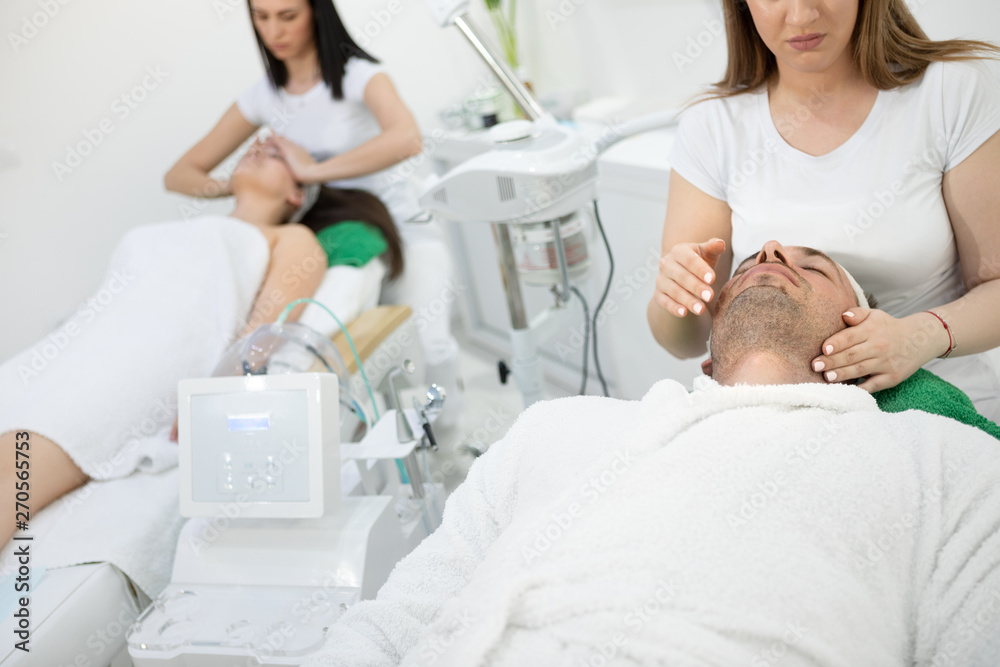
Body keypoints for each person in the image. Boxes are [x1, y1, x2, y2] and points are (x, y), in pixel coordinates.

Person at [303, 241, 1000, 667]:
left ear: (863, 329)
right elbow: (395, 621)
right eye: (751, 259)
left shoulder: (938, 463)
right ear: (708, 335)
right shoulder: (556, 429)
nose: (773, 253)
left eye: (810, 266)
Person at [0, 144, 402, 546]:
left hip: (137, 363)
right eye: (256, 143)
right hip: (68, 353)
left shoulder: (292, 239)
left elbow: (261, 336)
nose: (259, 147)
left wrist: (214, 392)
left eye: (276, 153)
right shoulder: (170, 230)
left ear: (297, 193)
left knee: (17, 468)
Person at [647, 0, 1000, 421]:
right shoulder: (712, 128)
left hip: (942, 409)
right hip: (776, 417)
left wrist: (920, 335)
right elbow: (686, 342)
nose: (799, 17)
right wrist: (676, 297)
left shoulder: (949, 93)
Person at [164, 0, 463, 425]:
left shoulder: (360, 77)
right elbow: (179, 175)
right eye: (261, 17)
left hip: (398, 224)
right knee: (366, 354)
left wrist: (312, 170)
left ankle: (452, 434)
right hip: (332, 226)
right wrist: (248, 180)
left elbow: (408, 139)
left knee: (431, 346)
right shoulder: (265, 95)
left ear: (316, 12)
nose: (274, 31)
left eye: (288, 16)